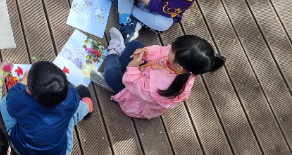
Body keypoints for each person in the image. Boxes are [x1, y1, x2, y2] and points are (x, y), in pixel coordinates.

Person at [90, 29, 225, 120]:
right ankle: (117, 70)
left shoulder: (164, 86)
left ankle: (113, 53)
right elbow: (161, 51)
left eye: (172, 50)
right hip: (146, 74)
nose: (169, 49)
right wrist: (146, 52)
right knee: (136, 44)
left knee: (111, 74)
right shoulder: (180, 58)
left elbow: (136, 86)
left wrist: (132, 67)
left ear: (179, 66)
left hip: (136, 99)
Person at [0, 61, 93, 155]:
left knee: (5, 102)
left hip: (22, 150)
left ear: (29, 91)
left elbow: (11, 96)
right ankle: (88, 107)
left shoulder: (21, 99)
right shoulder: (70, 99)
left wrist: (23, 81)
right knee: (75, 110)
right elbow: (72, 92)